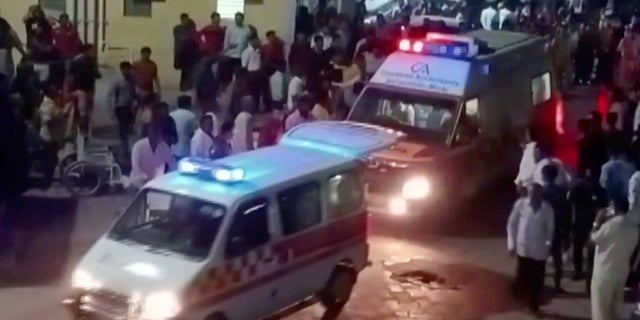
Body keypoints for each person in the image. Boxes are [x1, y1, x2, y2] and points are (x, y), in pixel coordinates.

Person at [507, 183, 555, 313]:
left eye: (536, 193)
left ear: (540, 194)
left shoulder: (547, 208)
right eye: (531, 193)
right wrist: (511, 244)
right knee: (523, 276)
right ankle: (517, 293)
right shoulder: (521, 205)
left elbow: (550, 228)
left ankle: (534, 305)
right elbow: (511, 224)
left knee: (538, 279)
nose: (533, 196)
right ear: (528, 194)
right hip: (524, 249)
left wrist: (548, 244)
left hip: (540, 251)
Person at [591, 203, 639, 320]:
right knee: (616, 311)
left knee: (601, 312)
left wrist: (597, 222)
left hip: (603, 274)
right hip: (621, 273)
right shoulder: (634, 227)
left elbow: (591, 241)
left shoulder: (611, 225)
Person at [569, 169, 606, 281]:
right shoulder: (597, 188)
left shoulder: (576, 187)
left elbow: (570, 203)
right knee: (590, 249)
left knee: (578, 248)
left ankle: (578, 271)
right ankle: (590, 272)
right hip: (590, 221)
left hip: (579, 221)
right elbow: (601, 206)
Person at [540, 164, 570, 294]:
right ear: (556, 176)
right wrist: (567, 230)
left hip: (542, 229)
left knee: (540, 259)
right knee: (558, 260)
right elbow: (566, 212)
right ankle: (557, 286)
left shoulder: (540, 192)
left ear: (543, 176)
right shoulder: (562, 192)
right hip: (557, 228)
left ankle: (540, 285)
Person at [38, 82, 71, 189]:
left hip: (53, 137)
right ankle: (47, 180)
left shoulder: (52, 102)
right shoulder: (48, 105)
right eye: (54, 90)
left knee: (52, 158)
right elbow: (46, 120)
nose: (57, 91)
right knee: (49, 159)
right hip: (49, 138)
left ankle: (49, 178)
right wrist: (61, 114)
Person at [129, 121, 176, 189]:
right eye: (154, 130)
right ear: (149, 131)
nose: (156, 134)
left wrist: (170, 177)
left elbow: (172, 164)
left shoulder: (164, 147)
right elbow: (136, 167)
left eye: (158, 131)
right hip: (137, 184)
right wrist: (146, 178)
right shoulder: (138, 146)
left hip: (156, 184)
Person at [68, 43, 101, 135]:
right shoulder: (85, 61)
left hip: (82, 89)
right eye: (92, 51)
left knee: (84, 112)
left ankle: (83, 130)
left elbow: (70, 76)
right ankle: (83, 131)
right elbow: (96, 74)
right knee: (84, 112)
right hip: (83, 90)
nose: (94, 53)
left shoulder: (77, 61)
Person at [108, 61, 137, 153]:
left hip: (129, 107)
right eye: (125, 69)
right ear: (121, 70)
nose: (126, 71)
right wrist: (112, 109)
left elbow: (134, 92)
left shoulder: (132, 80)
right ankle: (124, 147)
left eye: (128, 69)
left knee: (130, 126)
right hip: (120, 107)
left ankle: (127, 146)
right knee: (122, 127)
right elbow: (112, 95)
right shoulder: (117, 81)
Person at [221, 12, 250, 86]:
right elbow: (226, 41)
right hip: (230, 55)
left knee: (238, 75)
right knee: (227, 75)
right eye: (236, 19)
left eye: (239, 19)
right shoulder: (230, 28)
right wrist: (225, 51)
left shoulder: (247, 29)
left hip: (240, 56)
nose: (238, 20)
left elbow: (247, 42)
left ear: (242, 19)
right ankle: (226, 90)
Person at [0, 10, 26, 78]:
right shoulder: (2, 21)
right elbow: (12, 32)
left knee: (5, 73)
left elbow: (12, 33)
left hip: (3, 49)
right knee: (5, 74)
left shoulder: (2, 22)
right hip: (3, 49)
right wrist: (19, 42)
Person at [170, 95, 197, 160]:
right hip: (185, 150)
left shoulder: (171, 114)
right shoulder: (191, 115)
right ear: (188, 104)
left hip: (172, 149)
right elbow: (192, 134)